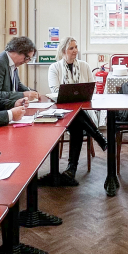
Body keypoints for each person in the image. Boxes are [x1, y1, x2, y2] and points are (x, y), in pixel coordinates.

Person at [48, 37, 108, 185]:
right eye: (71, 48)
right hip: (63, 110)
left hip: (83, 110)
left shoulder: (84, 65)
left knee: (77, 120)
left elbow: (90, 88)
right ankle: (99, 137)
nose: (75, 51)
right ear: (63, 51)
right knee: (76, 118)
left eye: (76, 47)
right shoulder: (54, 68)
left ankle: (71, 169)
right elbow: (55, 91)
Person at [0, 36, 39, 105]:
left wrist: (32, 92)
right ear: (17, 51)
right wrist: (23, 95)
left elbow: (18, 85)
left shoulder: (12, 63)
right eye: (27, 58)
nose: (26, 61)